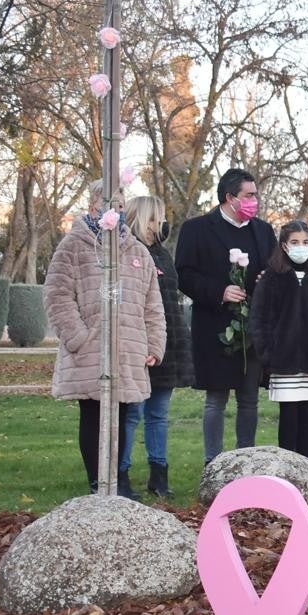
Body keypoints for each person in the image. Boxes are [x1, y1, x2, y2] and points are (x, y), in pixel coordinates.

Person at [44, 179, 165, 496]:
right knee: (94, 415)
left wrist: (154, 345)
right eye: (107, 203)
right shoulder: (73, 245)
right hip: (90, 350)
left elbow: (152, 304)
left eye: (120, 205)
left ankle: (117, 480)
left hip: (127, 349)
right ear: (92, 205)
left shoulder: (137, 251)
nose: (115, 210)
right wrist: (80, 338)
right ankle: (98, 483)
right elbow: (57, 296)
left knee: (123, 413)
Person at [175, 168, 276, 464]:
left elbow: (274, 269)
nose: (254, 200)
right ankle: (214, 463)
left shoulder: (262, 231)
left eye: (255, 195)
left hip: (252, 328)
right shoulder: (197, 229)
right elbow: (184, 275)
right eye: (249, 195)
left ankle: (245, 460)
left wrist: (265, 280)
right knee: (215, 400)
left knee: (249, 400)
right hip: (214, 326)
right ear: (230, 198)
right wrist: (220, 291)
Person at [120, 196, 194, 498]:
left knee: (159, 413)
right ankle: (120, 474)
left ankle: (158, 474)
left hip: (169, 341)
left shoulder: (162, 254)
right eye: (155, 218)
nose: (160, 224)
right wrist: (146, 342)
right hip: (140, 342)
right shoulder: (126, 252)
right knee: (132, 413)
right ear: (140, 219)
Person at [249, 220, 308, 470]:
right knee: (290, 418)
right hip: (283, 361)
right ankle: (289, 468)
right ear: (284, 245)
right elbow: (259, 317)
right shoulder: (272, 276)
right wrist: (267, 353)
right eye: (295, 242)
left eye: (305, 242)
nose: (301, 247)